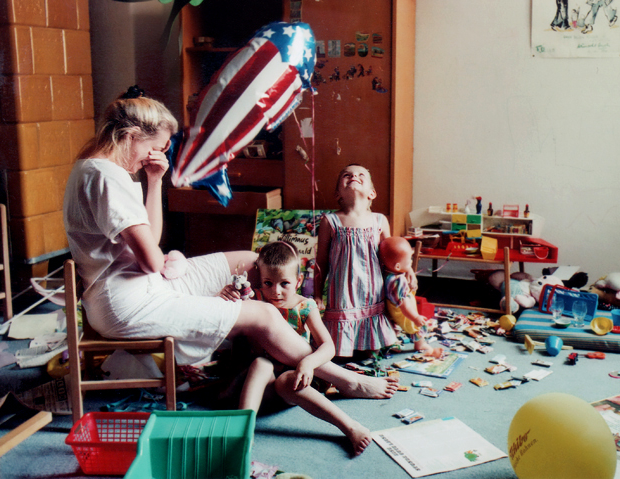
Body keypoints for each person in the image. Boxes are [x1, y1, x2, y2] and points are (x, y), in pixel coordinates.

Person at [63, 87, 397, 400]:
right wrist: (160, 259)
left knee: (254, 262)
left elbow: (151, 240)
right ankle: (343, 378)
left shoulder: (99, 167)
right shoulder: (107, 177)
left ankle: (267, 351)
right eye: (155, 147)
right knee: (264, 313)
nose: (157, 155)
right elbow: (152, 258)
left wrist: (154, 181)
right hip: (129, 300)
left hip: (140, 281)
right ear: (130, 136)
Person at [232, 241, 371, 455]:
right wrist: (227, 294)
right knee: (261, 363)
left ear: (298, 281)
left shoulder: (305, 306)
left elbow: (328, 347)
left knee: (286, 381)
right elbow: (224, 313)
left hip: (296, 383)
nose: (275, 292)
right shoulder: (255, 299)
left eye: (284, 284)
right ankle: (242, 433)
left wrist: (307, 363)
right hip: (260, 387)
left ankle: (350, 427)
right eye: (267, 283)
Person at [313, 164, 398, 357]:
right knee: (338, 354)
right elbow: (321, 262)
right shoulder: (330, 221)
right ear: (337, 194)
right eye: (347, 175)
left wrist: (398, 283)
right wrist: (317, 295)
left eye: (361, 175)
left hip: (372, 290)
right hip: (342, 292)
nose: (354, 177)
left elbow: (390, 258)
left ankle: (369, 345)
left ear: (372, 193)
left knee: (370, 353)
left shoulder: (379, 220)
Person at [379, 236, 436, 354]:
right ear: (398, 266)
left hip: (392, 308)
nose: (411, 262)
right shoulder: (399, 281)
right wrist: (415, 317)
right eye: (409, 259)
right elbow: (405, 306)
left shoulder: (387, 273)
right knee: (416, 327)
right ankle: (420, 344)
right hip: (403, 312)